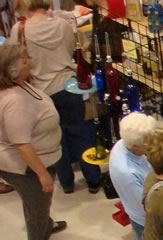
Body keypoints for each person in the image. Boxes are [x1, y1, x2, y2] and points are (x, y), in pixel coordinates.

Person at [10, 0, 100, 193]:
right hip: (68, 85)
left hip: (40, 93)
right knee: (81, 131)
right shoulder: (63, 23)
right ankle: (93, 178)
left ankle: (66, 182)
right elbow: (72, 50)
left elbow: (14, 59)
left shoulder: (19, 30)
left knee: (55, 138)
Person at [0, 43, 67, 240]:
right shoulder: (14, 102)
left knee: (41, 201)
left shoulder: (19, 85)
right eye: (24, 59)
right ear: (12, 69)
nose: (29, 61)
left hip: (38, 161)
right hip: (25, 167)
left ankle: (45, 223)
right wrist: (41, 173)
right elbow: (22, 143)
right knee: (36, 204)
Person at [109, 112, 157, 240]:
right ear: (137, 145)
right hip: (146, 223)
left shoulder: (123, 144)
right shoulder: (127, 172)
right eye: (148, 142)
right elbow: (149, 207)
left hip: (142, 215)